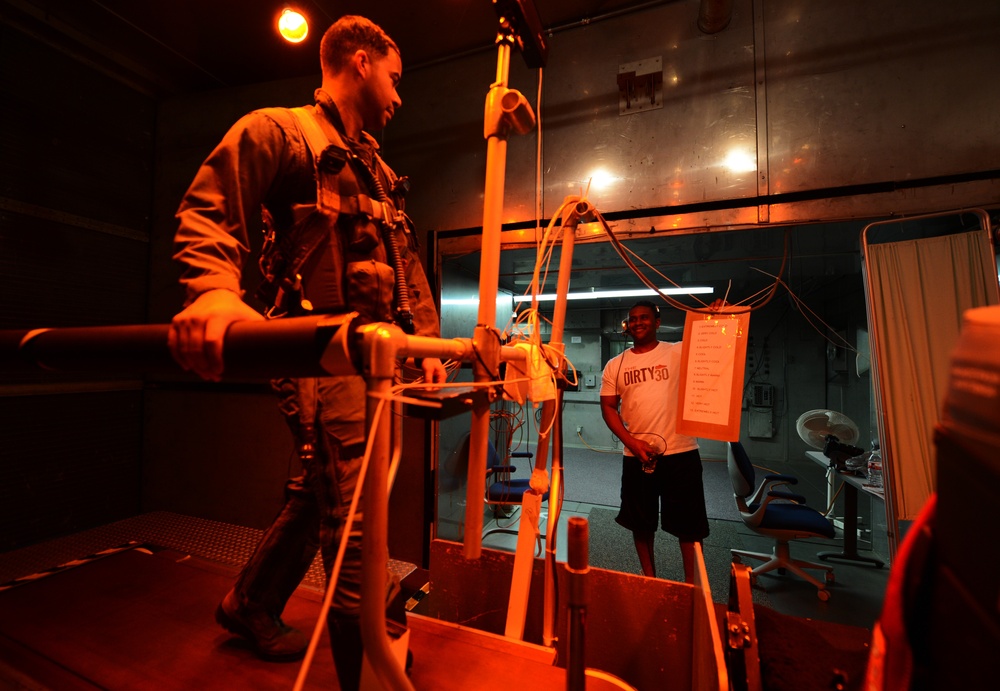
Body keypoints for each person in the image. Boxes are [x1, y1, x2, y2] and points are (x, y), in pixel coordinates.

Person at [168, 15, 446, 690]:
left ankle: (250, 601)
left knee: (317, 487)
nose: (400, 96)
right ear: (359, 60)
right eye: (396, 78)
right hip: (314, 352)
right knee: (351, 506)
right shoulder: (278, 131)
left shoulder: (375, 168)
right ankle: (368, 660)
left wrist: (430, 340)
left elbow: (404, 259)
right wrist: (211, 294)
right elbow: (207, 213)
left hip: (375, 362)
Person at [599, 300, 711, 583]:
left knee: (690, 527)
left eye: (644, 318)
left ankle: (691, 586)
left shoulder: (677, 352)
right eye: (632, 319)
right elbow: (608, 407)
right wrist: (631, 442)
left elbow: (711, 340)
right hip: (637, 457)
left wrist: (714, 314)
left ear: (657, 322)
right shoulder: (615, 365)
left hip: (681, 453)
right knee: (641, 523)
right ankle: (650, 579)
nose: (637, 322)